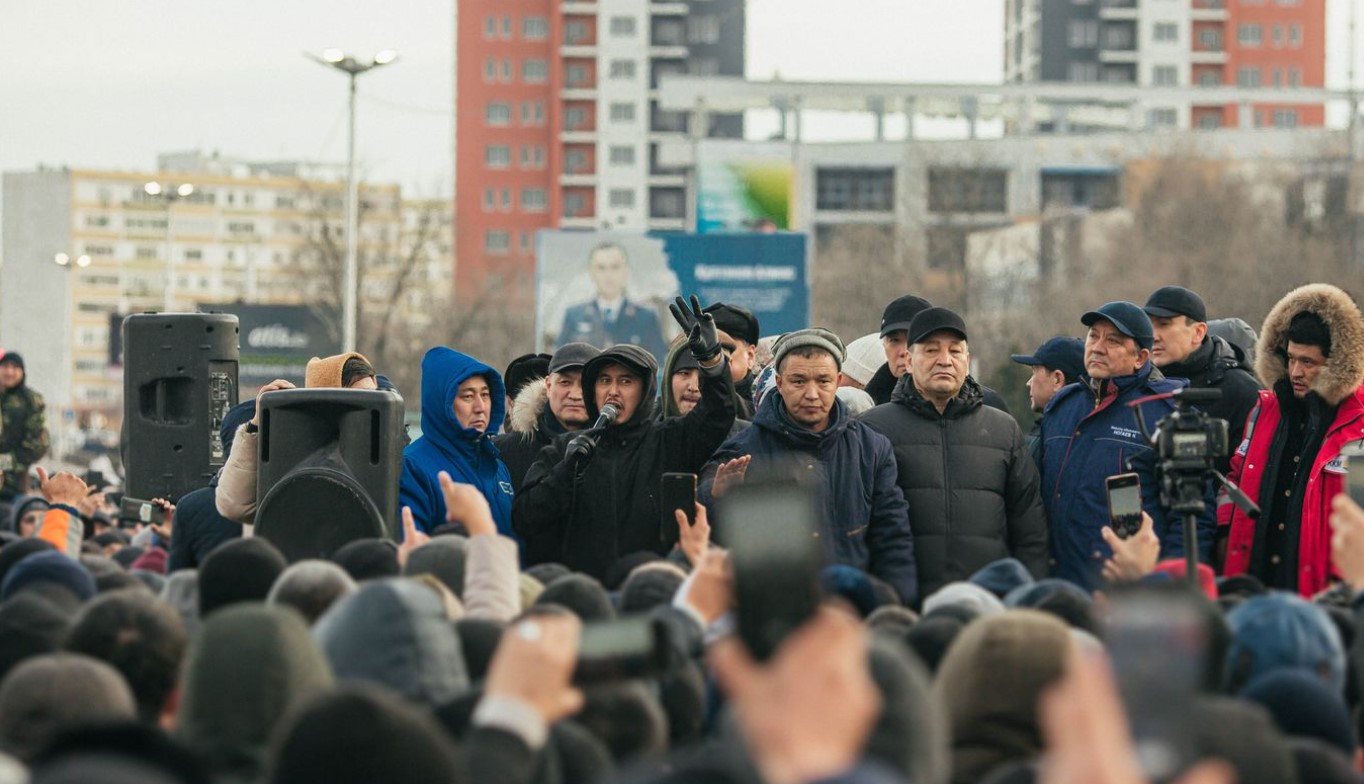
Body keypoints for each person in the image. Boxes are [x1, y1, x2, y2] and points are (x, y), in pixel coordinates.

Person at [515, 296, 736, 580]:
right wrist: (567, 471)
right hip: (587, 598)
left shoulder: (669, 440)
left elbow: (718, 414)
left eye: (626, 381)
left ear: (645, 391)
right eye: (604, 381)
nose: (613, 391)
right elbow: (525, 518)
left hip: (654, 593)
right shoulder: (563, 449)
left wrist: (712, 361)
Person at [698, 328, 919, 605]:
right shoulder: (742, 452)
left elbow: (892, 536)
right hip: (774, 611)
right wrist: (717, 497)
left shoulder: (871, 449)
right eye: (799, 381)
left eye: (823, 381)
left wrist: (895, 603)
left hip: (853, 610)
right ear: (779, 383)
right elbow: (708, 537)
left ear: (838, 381)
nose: (812, 394)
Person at [862, 308, 1048, 599]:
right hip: (904, 607)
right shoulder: (871, 428)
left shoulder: (1002, 429)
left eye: (955, 351)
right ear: (909, 361)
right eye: (931, 350)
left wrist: (1026, 597)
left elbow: (1030, 529)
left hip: (989, 604)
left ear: (966, 359)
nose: (944, 360)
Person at [1038, 301, 1215, 590]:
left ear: (1141, 357)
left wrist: (1167, 586)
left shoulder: (1174, 415)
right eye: (1093, 336)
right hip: (1057, 588)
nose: (1097, 347)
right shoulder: (1061, 406)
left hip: (1128, 593)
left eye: (1114, 341)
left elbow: (1194, 520)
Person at [1221, 283, 1364, 596]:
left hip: (1326, 600)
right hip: (1252, 588)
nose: (1296, 371)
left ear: (1336, 364)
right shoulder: (1263, 410)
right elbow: (1234, 480)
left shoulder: (1358, 425)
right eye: (1291, 359)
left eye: (1308, 362)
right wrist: (1222, 540)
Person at [217, 351, 388, 526]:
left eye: (373, 396)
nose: (370, 406)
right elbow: (234, 505)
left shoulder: (384, 450)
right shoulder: (289, 451)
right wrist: (256, 424)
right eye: (361, 400)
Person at [1143, 286, 1263, 476]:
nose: (1154, 336)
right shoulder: (1141, 386)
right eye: (1149, 326)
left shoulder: (1242, 392)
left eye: (1164, 324)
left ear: (1198, 332)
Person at [400, 347, 515, 538]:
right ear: (441, 403)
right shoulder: (412, 467)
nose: (480, 407)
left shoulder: (497, 466)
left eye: (485, 395)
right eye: (468, 396)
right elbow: (413, 552)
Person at [866, 295, 1011, 413]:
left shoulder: (987, 406)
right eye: (894, 341)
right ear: (883, 345)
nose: (904, 351)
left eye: (912, 340)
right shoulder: (866, 408)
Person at [495, 343, 600, 494]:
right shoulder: (504, 450)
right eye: (565, 382)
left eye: (585, 384)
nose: (575, 395)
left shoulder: (615, 452)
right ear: (548, 386)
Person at [556, 242, 667, 361]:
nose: (608, 275)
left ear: (626, 271)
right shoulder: (574, 316)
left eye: (615, 267)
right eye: (601, 268)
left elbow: (659, 364)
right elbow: (560, 363)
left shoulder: (646, 318)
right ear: (591, 273)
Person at [1010, 337, 1085, 468]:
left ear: (1057, 379)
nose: (1028, 383)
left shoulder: (1054, 440)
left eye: (1034, 372)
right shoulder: (1087, 433)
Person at [0, 352, 49, 504]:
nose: (9, 372)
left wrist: (3, 462)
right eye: (5, 367)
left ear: (22, 372)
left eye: (15, 367)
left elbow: (37, 446)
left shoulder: (31, 401)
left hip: (15, 487)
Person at [703, 302, 761, 417]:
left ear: (750, 356)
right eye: (706, 350)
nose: (714, 358)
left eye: (725, 349)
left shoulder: (766, 406)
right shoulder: (684, 398)